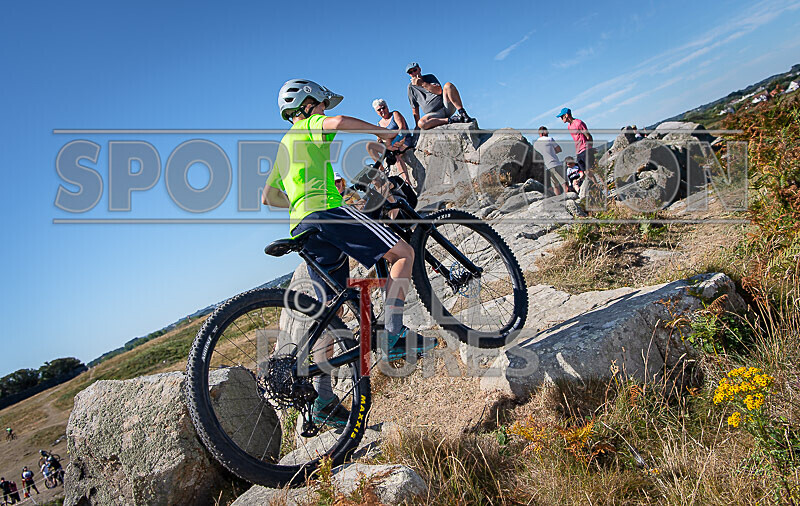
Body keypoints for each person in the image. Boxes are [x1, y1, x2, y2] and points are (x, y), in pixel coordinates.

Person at [263, 79, 437, 426]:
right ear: (309, 104)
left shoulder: (283, 147)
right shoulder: (309, 124)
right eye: (321, 105)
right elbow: (340, 123)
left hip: (302, 226)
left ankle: (324, 399)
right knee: (402, 254)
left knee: (330, 310)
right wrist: (384, 134)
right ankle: (394, 335)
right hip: (326, 212)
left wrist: (299, 202)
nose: (324, 111)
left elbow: (268, 196)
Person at [405, 62, 475, 130]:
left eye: (415, 70)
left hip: (446, 107)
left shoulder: (430, 77)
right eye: (411, 72)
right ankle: (452, 120)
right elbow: (415, 108)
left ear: (419, 69)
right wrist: (417, 126)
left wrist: (422, 84)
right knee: (421, 123)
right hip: (435, 115)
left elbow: (439, 91)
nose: (414, 73)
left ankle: (463, 114)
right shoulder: (410, 88)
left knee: (448, 85)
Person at [372, 98, 413, 185]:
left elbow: (402, 129)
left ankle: (407, 181)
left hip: (404, 140)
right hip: (390, 145)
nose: (382, 110)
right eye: (379, 110)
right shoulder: (379, 124)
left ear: (387, 107)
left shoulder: (395, 114)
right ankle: (381, 169)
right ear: (376, 112)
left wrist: (394, 142)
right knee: (371, 147)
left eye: (384, 107)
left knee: (395, 155)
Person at [533, 127, 569, 195]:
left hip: (546, 166)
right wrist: (552, 151)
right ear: (544, 132)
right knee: (564, 183)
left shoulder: (535, 144)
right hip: (554, 163)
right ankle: (569, 198)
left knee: (555, 186)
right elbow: (559, 149)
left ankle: (559, 201)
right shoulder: (549, 139)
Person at [557, 107, 594, 174]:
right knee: (585, 172)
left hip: (585, 149)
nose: (561, 119)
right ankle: (597, 184)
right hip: (578, 152)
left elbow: (588, 136)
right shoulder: (569, 126)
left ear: (566, 115)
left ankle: (602, 183)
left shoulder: (579, 123)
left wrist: (590, 149)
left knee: (591, 170)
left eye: (562, 117)